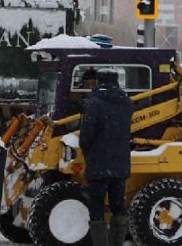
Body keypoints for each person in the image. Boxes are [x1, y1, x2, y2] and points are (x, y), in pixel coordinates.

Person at [79, 68, 134, 246]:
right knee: (118, 205)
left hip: (99, 164)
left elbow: (86, 134)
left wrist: (87, 149)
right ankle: (116, 242)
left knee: (96, 207)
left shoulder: (95, 103)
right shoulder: (126, 102)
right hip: (120, 163)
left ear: (99, 82)